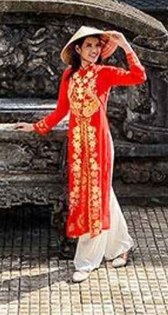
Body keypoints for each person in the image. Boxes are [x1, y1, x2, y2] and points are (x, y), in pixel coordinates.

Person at [17, 26, 147, 283]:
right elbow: (60, 112)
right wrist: (36, 126)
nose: (94, 50)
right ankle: (121, 247)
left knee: (93, 197)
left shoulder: (105, 74)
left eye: (97, 46)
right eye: (88, 46)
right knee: (101, 195)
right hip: (78, 145)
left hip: (99, 143)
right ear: (77, 49)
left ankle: (87, 262)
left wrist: (124, 44)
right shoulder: (69, 76)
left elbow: (139, 76)